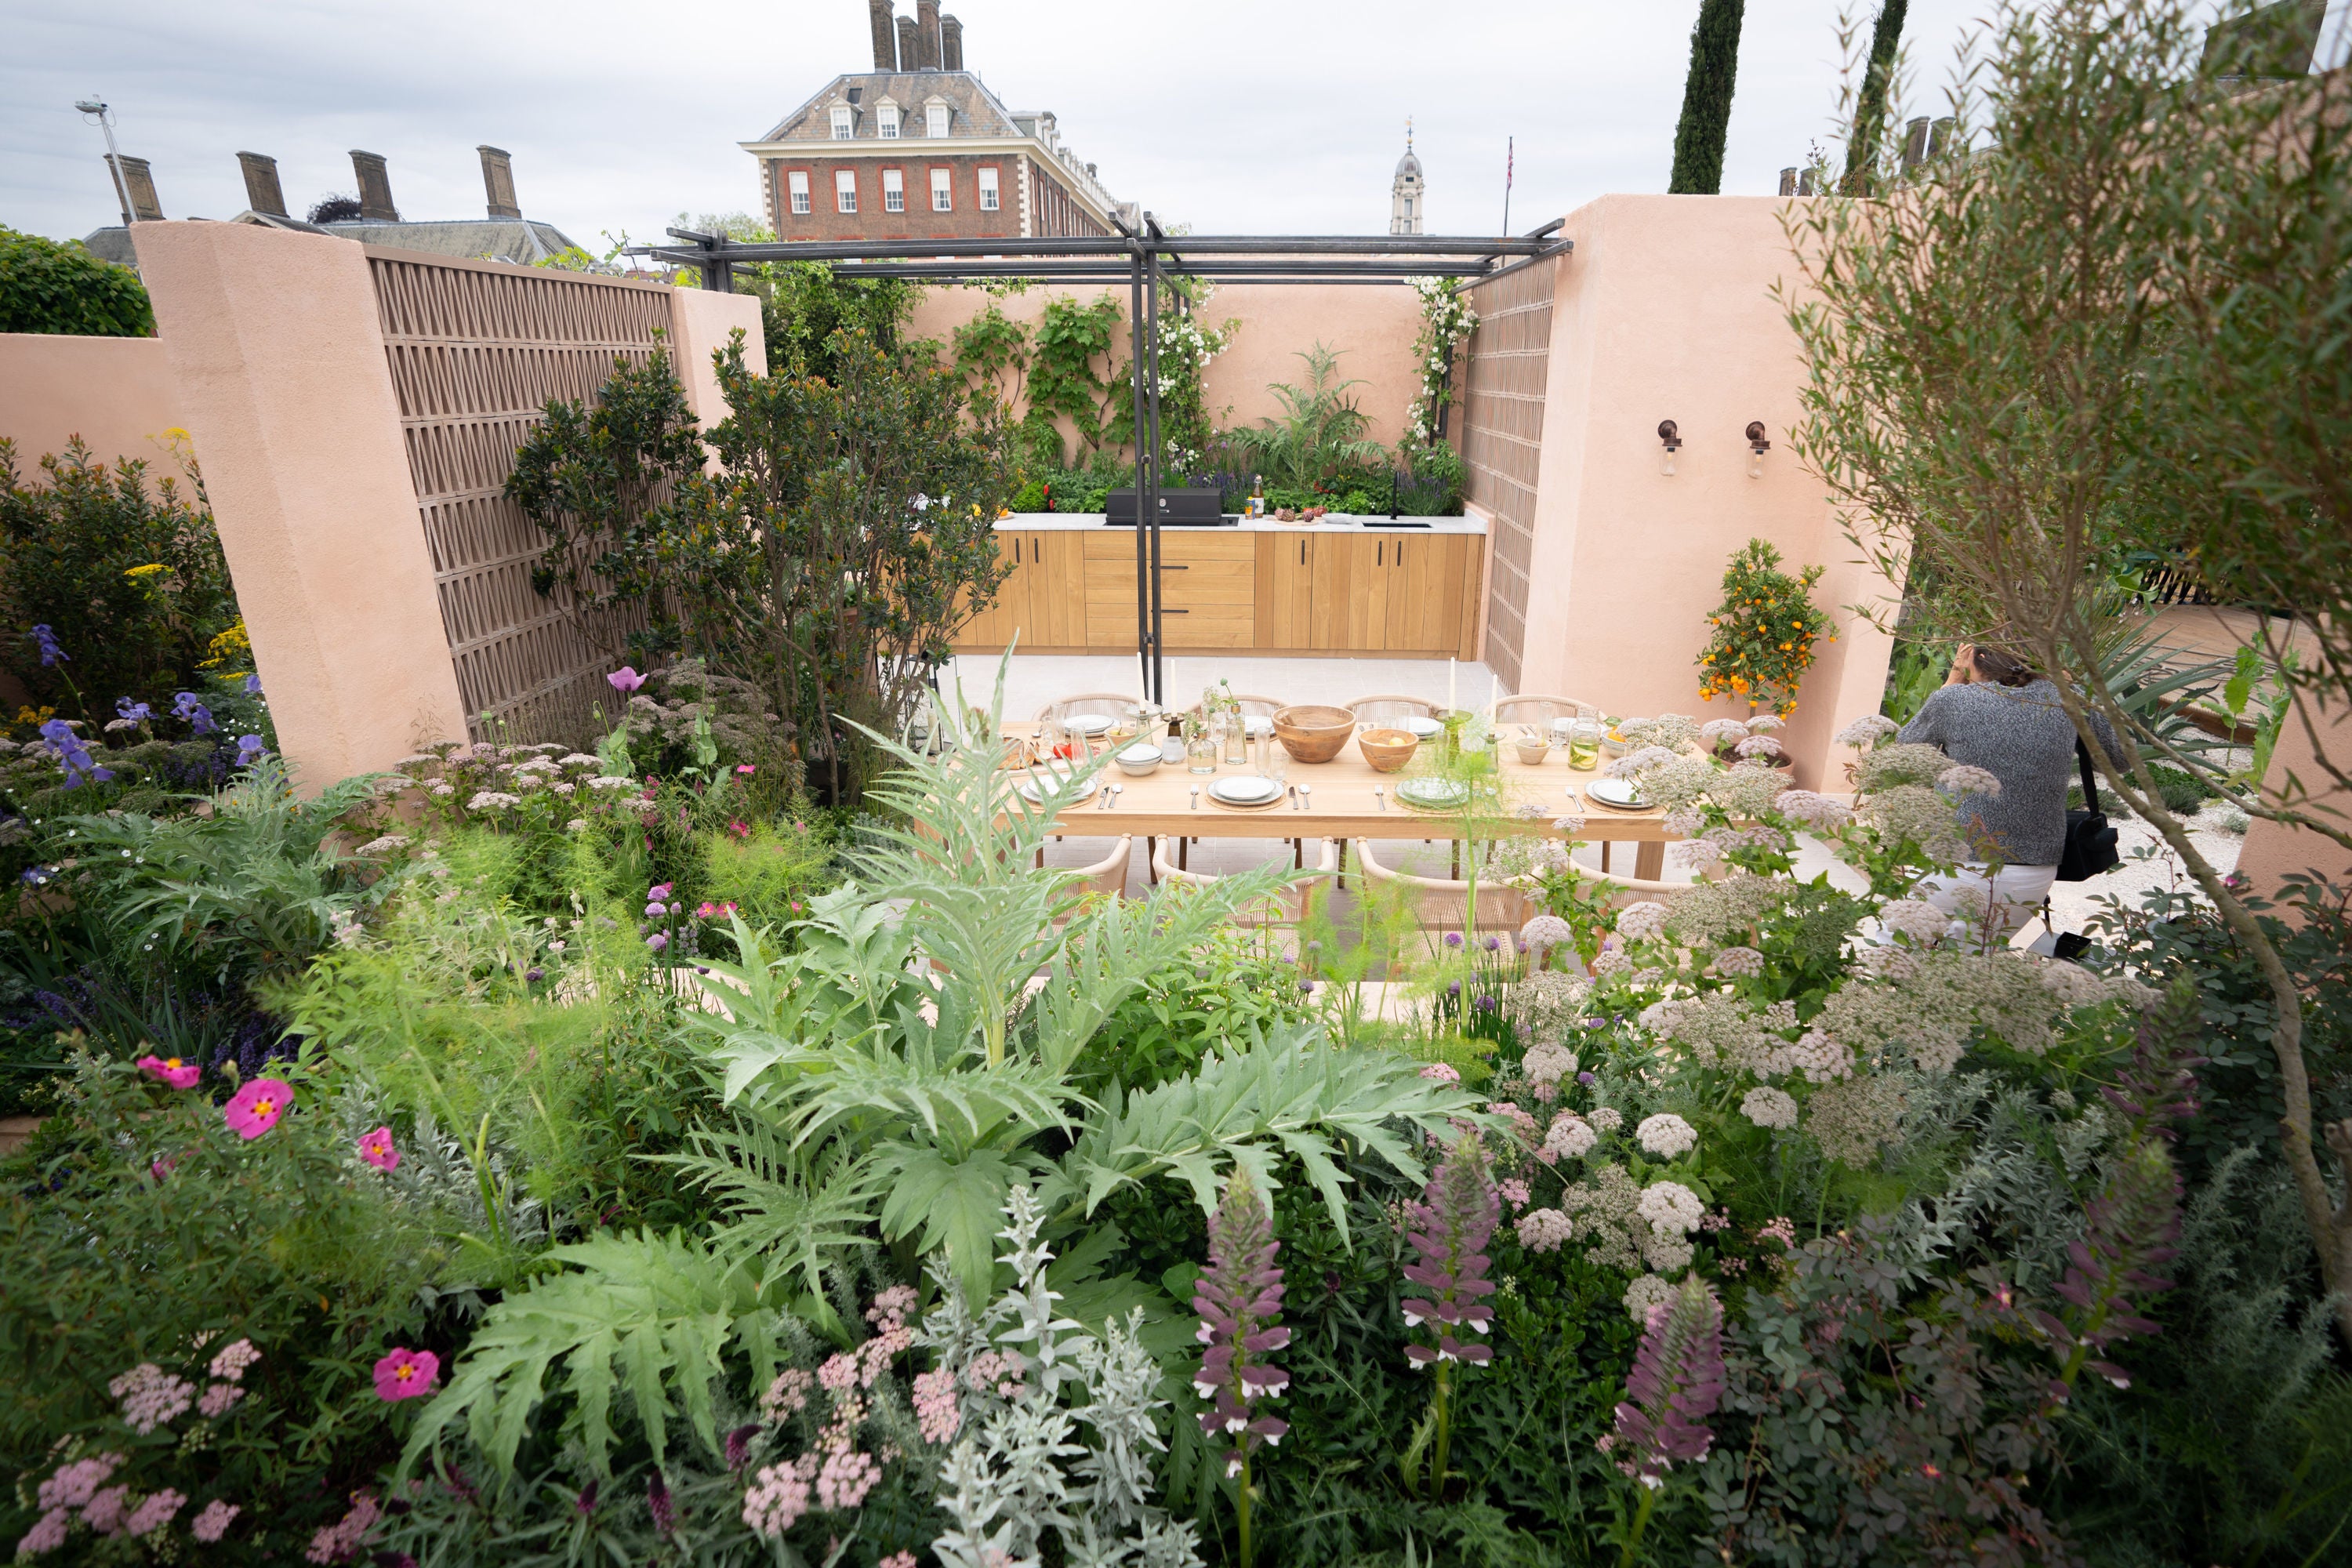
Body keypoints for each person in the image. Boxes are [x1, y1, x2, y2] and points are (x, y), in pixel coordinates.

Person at [1896, 643, 2120, 940]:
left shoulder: (1952, 699)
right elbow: (2119, 760)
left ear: (1979, 658)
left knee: (1895, 949)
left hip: (1953, 867)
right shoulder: (2067, 699)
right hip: (2032, 874)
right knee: (1972, 965)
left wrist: (1951, 682)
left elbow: (1904, 756)